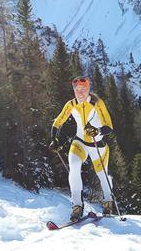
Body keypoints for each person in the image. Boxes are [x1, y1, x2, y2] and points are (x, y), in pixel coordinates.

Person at [50, 75, 115, 221]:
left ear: (88, 89)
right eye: (77, 89)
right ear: (74, 90)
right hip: (79, 142)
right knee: (73, 167)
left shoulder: (97, 103)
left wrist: (98, 131)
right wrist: (54, 138)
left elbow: (109, 126)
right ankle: (77, 206)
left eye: (83, 89)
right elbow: (58, 122)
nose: (80, 92)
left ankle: (108, 201)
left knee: (102, 175)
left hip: (97, 144)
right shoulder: (71, 104)